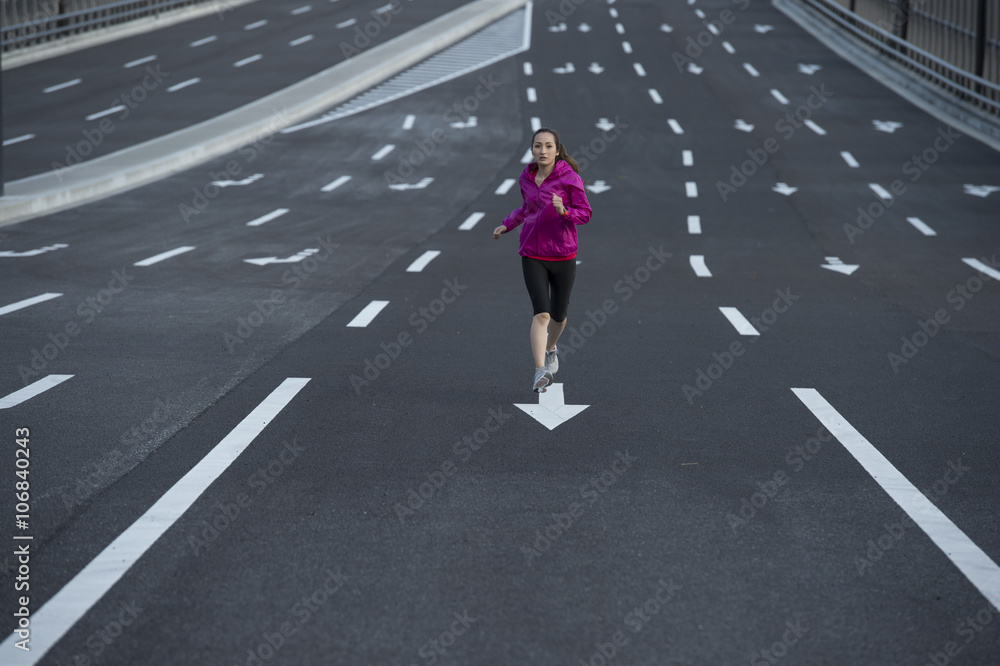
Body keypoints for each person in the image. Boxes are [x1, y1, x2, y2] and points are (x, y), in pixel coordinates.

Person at [493, 128, 592, 392]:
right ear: (532, 150)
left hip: (563, 254)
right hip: (532, 253)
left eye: (548, 146)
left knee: (559, 316)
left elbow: (585, 213)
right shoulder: (526, 178)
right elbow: (527, 209)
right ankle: (539, 371)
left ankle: (551, 349)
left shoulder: (569, 178)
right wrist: (507, 225)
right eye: (538, 146)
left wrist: (565, 211)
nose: (543, 151)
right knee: (542, 314)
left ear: (557, 150)